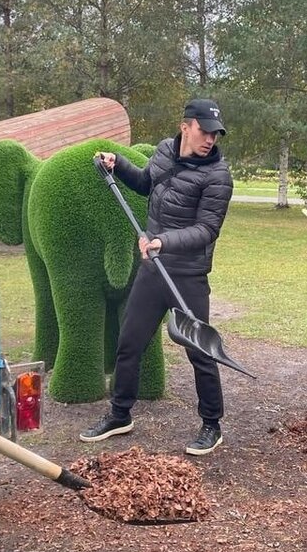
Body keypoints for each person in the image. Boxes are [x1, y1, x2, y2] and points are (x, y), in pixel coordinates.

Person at [81, 99, 235, 456]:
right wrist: (118, 165)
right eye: (204, 130)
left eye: (216, 133)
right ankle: (121, 414)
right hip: (153, 271)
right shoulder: (166, 151)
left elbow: (207, 229)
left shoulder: (218, 176)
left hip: (187, 274)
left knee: (200, 350)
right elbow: (146, 182)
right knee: (130, 342)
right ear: (186, 126)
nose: (210, 139)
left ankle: (211, 424)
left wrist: (162, 242)